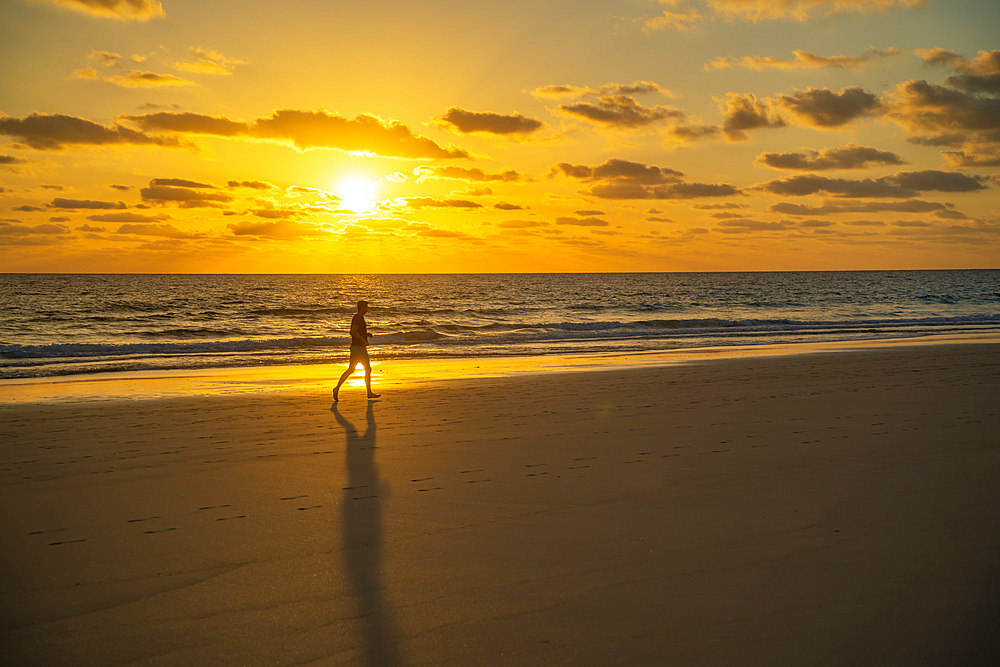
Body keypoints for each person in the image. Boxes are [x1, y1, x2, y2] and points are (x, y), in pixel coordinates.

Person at [333, 300, 380, 401]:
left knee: (351, 369)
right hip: (359, 348)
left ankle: (337, 388)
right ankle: (369, 392)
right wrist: (363, 340)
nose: (367, 310)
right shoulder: (358, 318)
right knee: (367, 369)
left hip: (355, 347)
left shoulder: (358, 318)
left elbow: (356, 331)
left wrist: (366, 335)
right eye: (366, 307)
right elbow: (353, 331)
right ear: (362, 308)